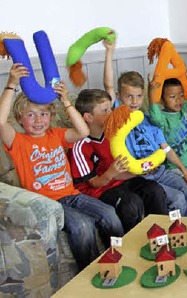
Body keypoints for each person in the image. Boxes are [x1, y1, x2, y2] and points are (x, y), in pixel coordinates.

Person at [0, 64, 123, 270]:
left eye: (43, 114)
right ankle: (92, 272)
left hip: (73, 194)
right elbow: (1, 122)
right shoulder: (18, 142)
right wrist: (11, 84)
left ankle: (119, 259)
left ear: (50, 116)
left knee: (109, 213)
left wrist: (66, 101)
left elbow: (83, 132)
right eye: (31, 115)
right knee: (83, 225)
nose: (39, 120)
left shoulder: (56, 135)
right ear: (20, 119)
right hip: (49, 204)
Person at [70, 89, 169, 233]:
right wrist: (110, 173)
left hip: (121, 182)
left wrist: (141, 170)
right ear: (88, 117)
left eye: (111, 108)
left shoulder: (113, 136)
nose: (111, 112)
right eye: (105, 110)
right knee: (130, 203)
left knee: (154, 190)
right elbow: (93, 183)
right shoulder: (80, 146)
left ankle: (163, 235)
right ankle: (133, 245)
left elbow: (121, 172)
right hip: (99, 191)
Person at [115, 71, 187, 217]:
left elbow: (166, 149)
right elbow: (109, 89)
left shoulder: (149, 121)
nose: (134, 101)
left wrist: (185, 172)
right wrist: (109, 53)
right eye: (129, 96)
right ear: (119, 97)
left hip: (160, 171)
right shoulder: (118, 120)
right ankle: (173, 233)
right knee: (178, 199)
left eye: (139, 96)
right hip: (140, 177)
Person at [148, 77, 187, 215]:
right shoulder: (161, 120)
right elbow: (153, 114)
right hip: (174, 169)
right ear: (162, 100)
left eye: (181, 95)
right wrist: (152, 92)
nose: (178, 100)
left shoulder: (184, 109)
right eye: (172, 97)